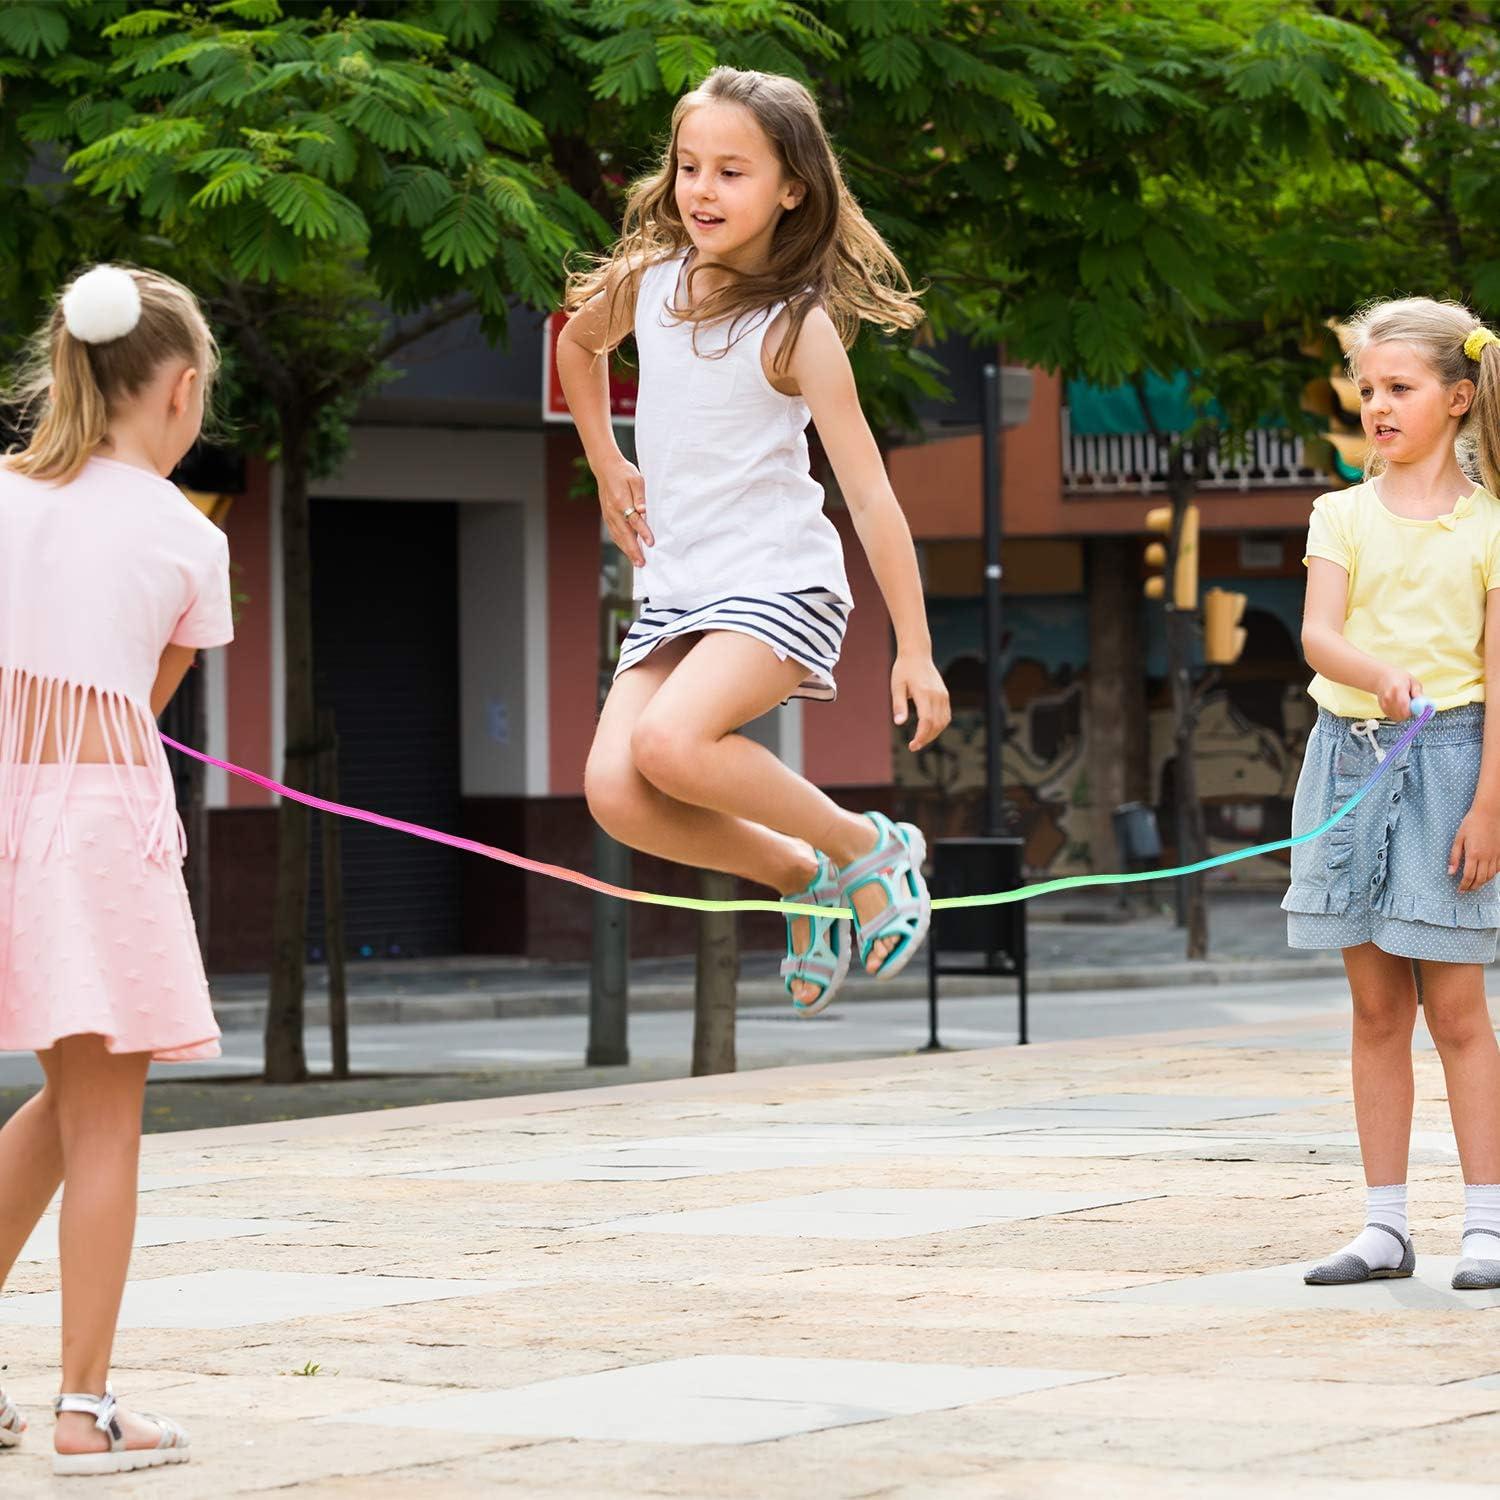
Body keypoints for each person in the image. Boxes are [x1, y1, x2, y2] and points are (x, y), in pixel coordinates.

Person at [556, 66, 950, 1016]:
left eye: (732, 171)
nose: (702, 190)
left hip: (779, 583)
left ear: (792, 187)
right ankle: (800, 876)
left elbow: (870, 493)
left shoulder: (796, 327)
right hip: (678, 588)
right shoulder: (649, 284)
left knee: (672, 742)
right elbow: (576, 343)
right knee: (616, 790)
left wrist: (917, 649)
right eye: (690, 167)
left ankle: (869, 848)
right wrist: (608, 462)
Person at [0, 263, 229, 1473]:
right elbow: (141, 709)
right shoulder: (184, 540)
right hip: (98, 837)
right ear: (183, 393)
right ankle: (84, 1410)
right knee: (105, 1126)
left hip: (4, 821)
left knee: (66, 1098)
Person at [1290, 297, 1500, 1290]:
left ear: (1458, 399)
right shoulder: (1340, 513)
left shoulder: (1492, 527)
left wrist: (1489, 805)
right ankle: (1384, 1228)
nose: (1377, 405)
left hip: (1454, 763)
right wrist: (1375, 674)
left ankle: (1488, 1224)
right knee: (1376, 1010)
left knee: (1457, 1009)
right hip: (1347, 757)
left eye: (1399, 389)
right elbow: (1318, 636)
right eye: (1367, 389)